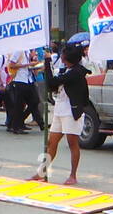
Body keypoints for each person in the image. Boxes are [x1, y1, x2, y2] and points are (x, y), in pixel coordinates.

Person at [34, 44, 89, 184]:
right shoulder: (66, 70)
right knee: (51, 142)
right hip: (60, 108)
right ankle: (42, 172)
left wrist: (47, 62)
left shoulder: (76, 72)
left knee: (72, 143)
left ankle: (73, 175)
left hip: (72, 111)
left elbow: (53, 81)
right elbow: (52, 85)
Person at [6, 49, 44, 133]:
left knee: (35, 101)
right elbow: (11, 65)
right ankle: (16, 126)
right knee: (19, 104)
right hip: (20, 79)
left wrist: (33, 61)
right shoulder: (18, 51)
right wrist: (28, 64)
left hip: (28, 79)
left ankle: (20, 121)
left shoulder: (27, 52)